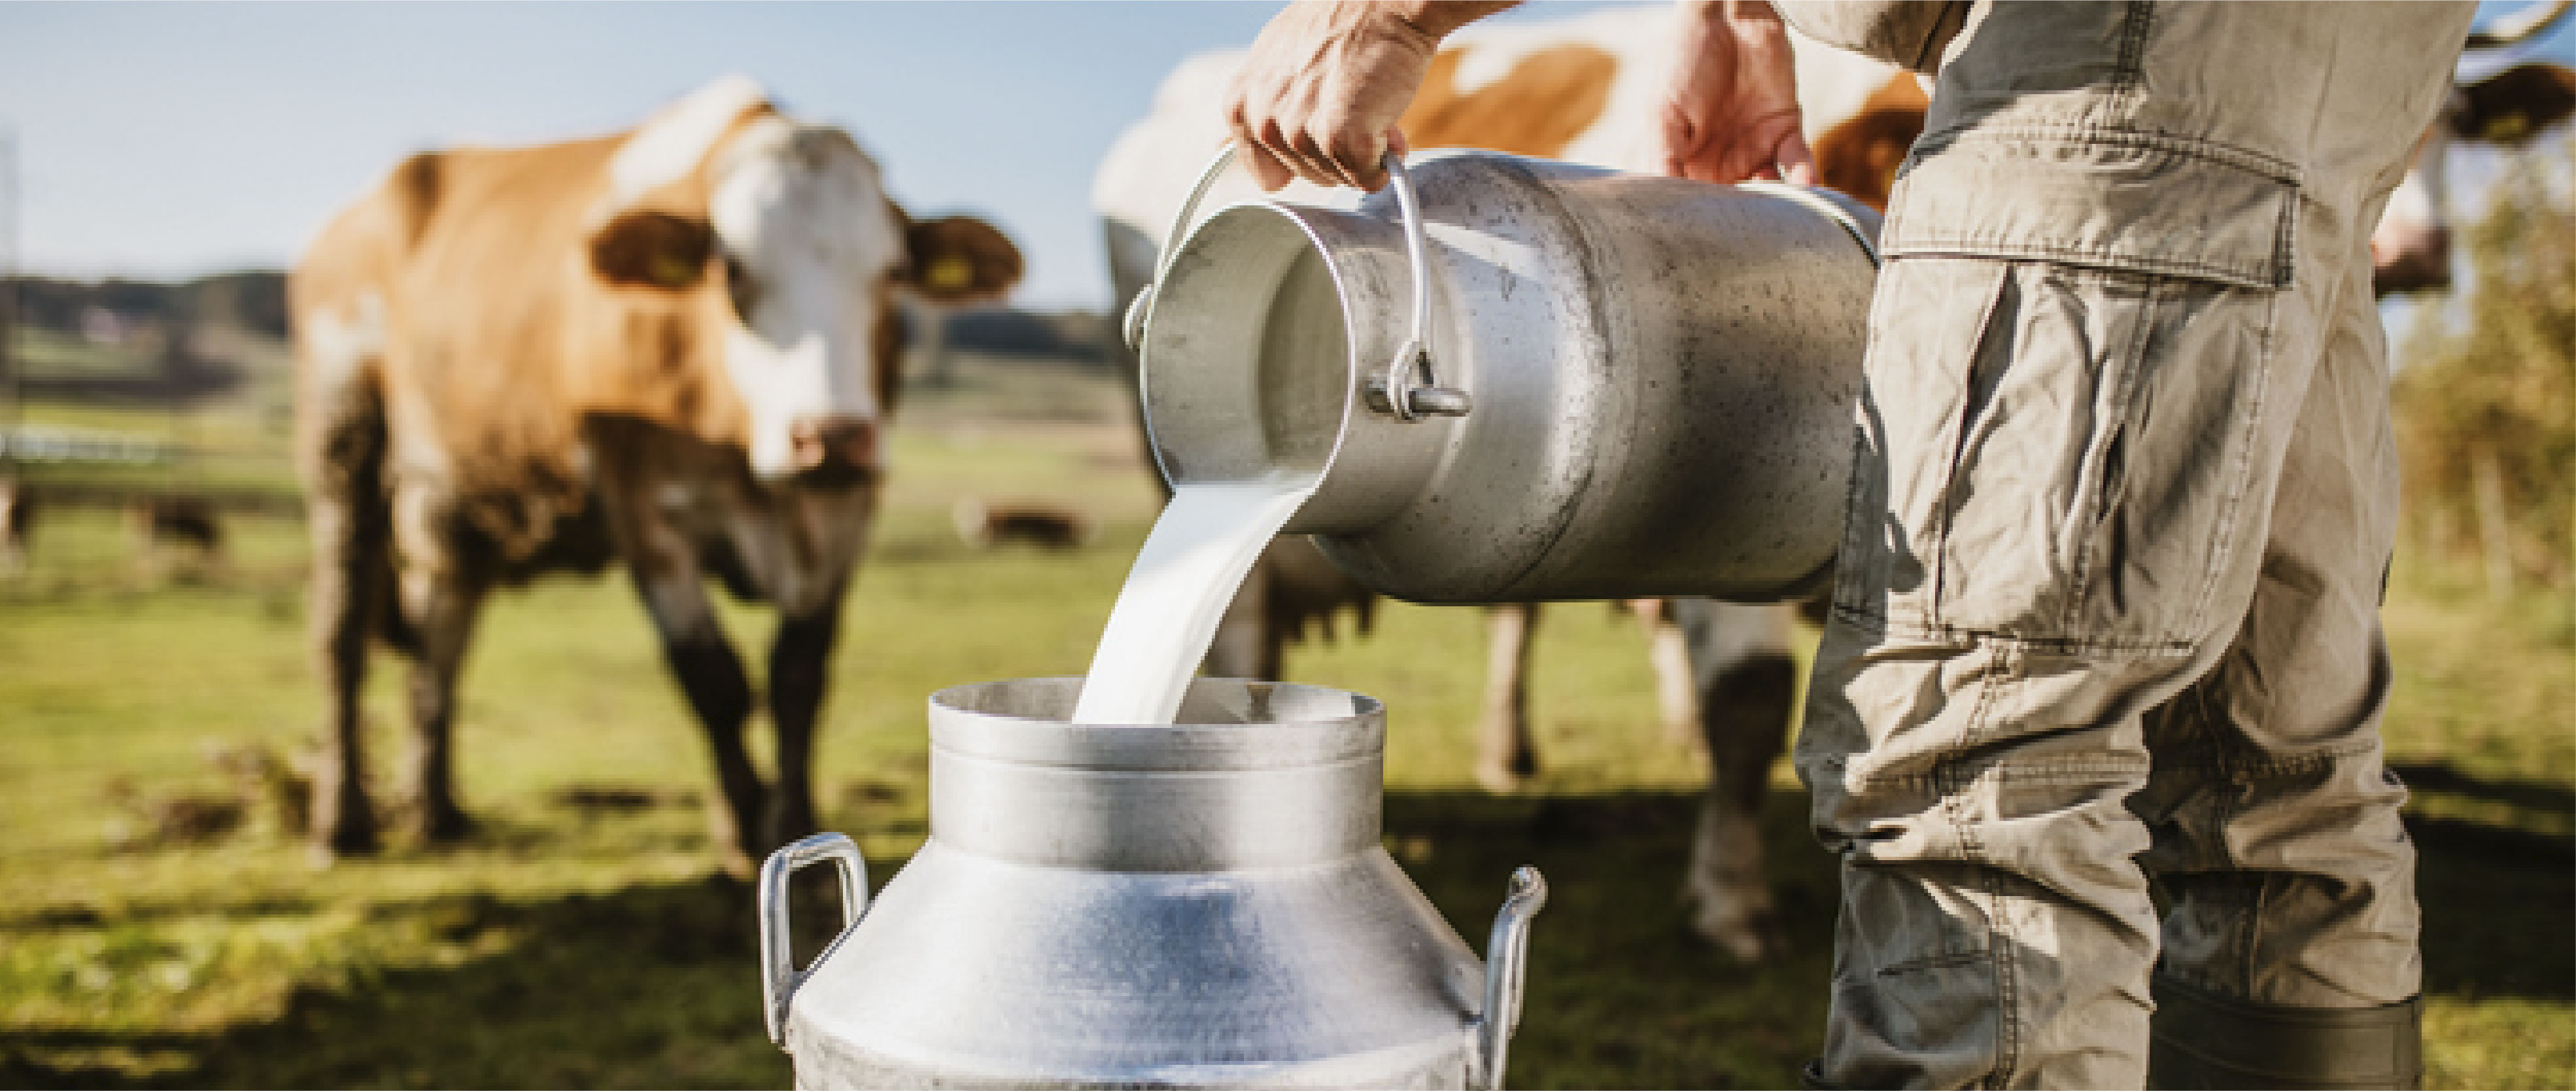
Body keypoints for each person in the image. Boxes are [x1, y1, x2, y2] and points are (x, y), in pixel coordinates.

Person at [1220, 2, 2474, 1087]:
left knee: (1977, 769)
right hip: (2342, 65)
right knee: (2263, 777)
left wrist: (1384, 15)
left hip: (2100, 55)